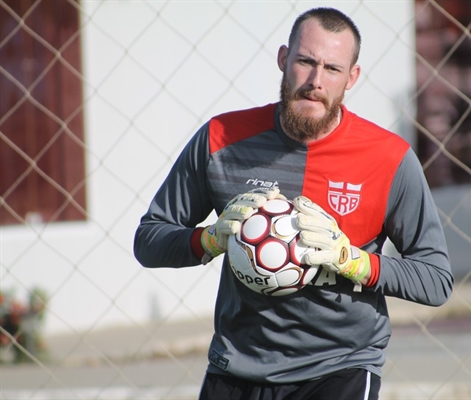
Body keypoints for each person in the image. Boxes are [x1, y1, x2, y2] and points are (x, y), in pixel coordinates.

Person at [134, 7, 453, 400]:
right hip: (238, 364)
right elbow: (148, 239)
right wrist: (211, 239)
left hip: (340, 368)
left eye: (332, 69)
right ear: (284, 59)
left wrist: (353, 261)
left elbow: (436, 279)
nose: (316, 81)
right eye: (305, 62)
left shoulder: (388, 159)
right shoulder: (220, 138)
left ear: (351, 78)